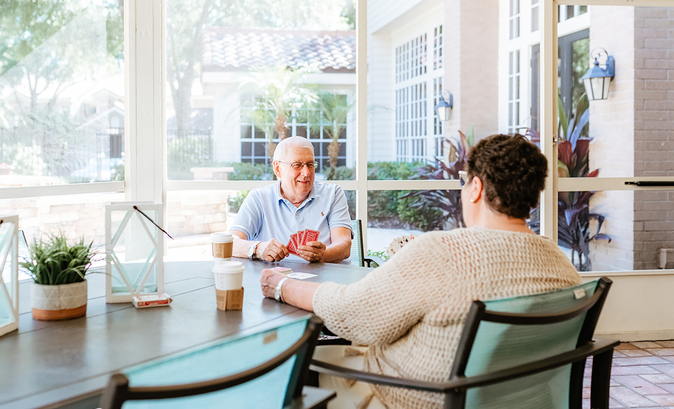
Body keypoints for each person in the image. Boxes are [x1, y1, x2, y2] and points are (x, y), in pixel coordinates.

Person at [259, 134, 582, 408]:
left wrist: (281, 285)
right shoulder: (563, 267)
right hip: (514, 397)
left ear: (476, 188)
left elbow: (355, 316)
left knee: (307, 359)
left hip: (418, 398)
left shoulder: (445, 251)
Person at [230, 136, 352, 263]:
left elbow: (344, 245)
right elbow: (230, 243)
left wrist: (324, 255)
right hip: (276, 279)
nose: (306, 173)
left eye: (310, 164)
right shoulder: (259, 198)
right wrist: (258, 248)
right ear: (278, 169)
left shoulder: (333, 194)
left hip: (326, 278)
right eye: (297, 165)